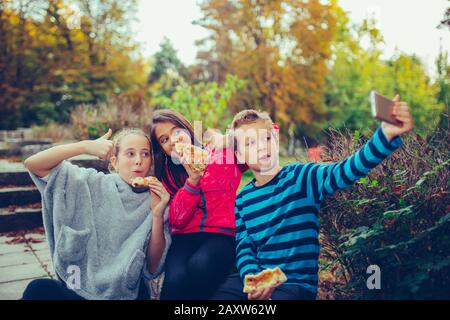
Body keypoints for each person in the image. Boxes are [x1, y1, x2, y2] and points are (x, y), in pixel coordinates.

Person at [212, 96, 414, 300]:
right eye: (250, 143)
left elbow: (347, 169)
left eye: (266, 138)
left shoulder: (302, 177)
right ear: (239, 156)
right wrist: (253, 279)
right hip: (257, 281)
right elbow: (245, 247)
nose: (261, 146)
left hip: (294, 286)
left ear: (275, 139)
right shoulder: (243, 199)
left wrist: (385, 136)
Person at [22, 128, 171, 300]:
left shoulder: (156, 199)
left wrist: (157, 215)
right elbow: (33, 164)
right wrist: (85, 146)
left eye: (145, 154)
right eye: (130, 153)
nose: (138, 160)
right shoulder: (91, 182)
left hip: (122, 292)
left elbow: (153, 267)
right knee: (38, 289)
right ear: (114, 162)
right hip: (77, 284)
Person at [150, 110, 246, 300]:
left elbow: (267, 136)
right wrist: (192, 182)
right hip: (185, 237)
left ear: (187, 128)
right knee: (175, 279)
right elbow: (176, 220)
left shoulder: (220, 154)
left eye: (177, 131)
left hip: (222, 234)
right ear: (161, 148)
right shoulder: (168, 175)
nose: (174, 140)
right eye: (164, 139)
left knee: (201, 263)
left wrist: (231, 138)